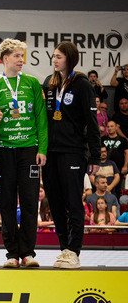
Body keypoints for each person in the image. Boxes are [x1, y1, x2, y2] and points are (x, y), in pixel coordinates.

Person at [0, 38, 47, 268]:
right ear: (5, 58)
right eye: (17, 56)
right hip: (3, 151)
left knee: (30, 201)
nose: (21, 60)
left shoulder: (32, 83)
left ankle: (28, 253)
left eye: (22, 56)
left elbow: (41, 117)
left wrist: (42, 149)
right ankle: (11, 254)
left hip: (29, 150)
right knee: (7, 203)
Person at [42, 41, 101, 269]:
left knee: (74, 202)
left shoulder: (82, 84)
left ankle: (74, 251)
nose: (55, 60)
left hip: (73, 151)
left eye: (59, 57)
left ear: (70, 58)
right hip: (51, 153)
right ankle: (64, 249)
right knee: (55, 203)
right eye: (53, 56)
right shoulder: (49, 82)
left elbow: (92, 122)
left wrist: (95, 156)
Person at [103, 121, 128, 195]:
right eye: (108, 126)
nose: (110, 128)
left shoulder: (123, 140)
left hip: (119, 166)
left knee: (118, 188)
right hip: (105, 167)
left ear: (116, 127)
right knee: (104, 185)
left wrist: (125, 166)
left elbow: (127, 153)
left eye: (112, 126)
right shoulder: (102, 139)